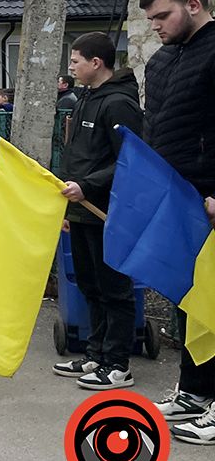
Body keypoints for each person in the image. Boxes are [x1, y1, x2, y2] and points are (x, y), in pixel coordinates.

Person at [135, 0, 215, 443]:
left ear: (193, 5)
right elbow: (155, 126)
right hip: (177, 198)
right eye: (151, 19)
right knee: (188, 298)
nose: (156, 26)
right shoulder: (161, 60)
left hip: (211, 198)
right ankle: (195, 390)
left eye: (162, 16)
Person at [52, 31, 143, 391]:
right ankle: (96, 354)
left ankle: (118, 365)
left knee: (114, 288)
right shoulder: (85, 99)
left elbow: (130, 159)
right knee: (90, 285)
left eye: (75, 61)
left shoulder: (119, 103)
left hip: (107, 211)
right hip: (81, 211)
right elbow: (77, 154)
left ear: (96, 62)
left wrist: (88, 186)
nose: (70, 67)